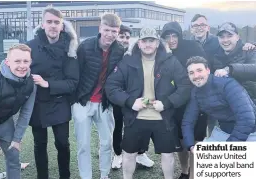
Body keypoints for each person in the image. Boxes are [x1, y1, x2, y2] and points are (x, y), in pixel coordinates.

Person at [105, 27, 192, 179]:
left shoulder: (170, 61)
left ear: (157, 43)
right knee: (129, 154)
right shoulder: (127, 61)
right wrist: (130, 102)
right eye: (144, 41)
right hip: (135, 117)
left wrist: (167, 103)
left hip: (163, 118)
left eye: (151, 40)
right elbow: (111, 86)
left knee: (168, 154)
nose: (147, 44)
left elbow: (185, 86)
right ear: (138, 43)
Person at [27, 6, 79, 179]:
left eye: (57, 22)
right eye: (49, 22)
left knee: (63, 143)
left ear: (62, 26)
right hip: (37, 102)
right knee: (39, 144)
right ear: (42, 24)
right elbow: (17, 65)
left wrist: (47, 83)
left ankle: (65, 176)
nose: (53, 26)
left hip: (60, 101)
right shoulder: (30, 47)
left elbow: (72, 83)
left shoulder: (70, 48)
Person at [72, 13, 125, 179]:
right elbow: (75, 74)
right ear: (100, 28)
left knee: (106, 142)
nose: (110, 34)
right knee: (83, 145)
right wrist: (76, 99)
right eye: (107, 30)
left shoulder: (120, 50)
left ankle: (104, 175)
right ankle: (86, 176)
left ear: (118, 32)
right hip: (83, 102)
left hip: (104, 103)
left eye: (114, 31)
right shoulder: (85, 46)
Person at [0, 44, 36, 179]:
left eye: (25, 61)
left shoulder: (31, 83)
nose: (22, 65)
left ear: (30, 62)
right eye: (17, 61)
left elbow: (26, 113)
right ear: (7, 62)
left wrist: (17, 139)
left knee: (14, 160)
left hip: (5, 123)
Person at [161, 21, 207, 179]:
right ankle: (185, 171)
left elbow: (203, 72)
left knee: (194, 141)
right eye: (168, 36)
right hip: (176, 103)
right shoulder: (163, 52)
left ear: (180, 36)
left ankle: (194, 174)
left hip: (196, 101)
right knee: (180, 141)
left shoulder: (193, 47)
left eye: (175, 35)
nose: (171, 39)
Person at [182, 56, 256, 152]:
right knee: (205, 158)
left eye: (199, 70)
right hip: (225, 131)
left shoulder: (227, 85)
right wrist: (190, 145)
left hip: (251, 131)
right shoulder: (196, 92)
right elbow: (188, 120)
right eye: (191, 73)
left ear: (208, 70)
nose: (196, 76)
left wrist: (229, 147)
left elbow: (247, 119)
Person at [112, 24, 154, 169]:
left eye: (127, 37)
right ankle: (117, 154)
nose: (124, 40)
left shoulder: (134, 53)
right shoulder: (111, 52)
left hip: (137, 95)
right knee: (117, 125)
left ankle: (141, 153)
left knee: (142, 123)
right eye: (121, 36)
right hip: (118, 96)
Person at [213, 22, 256, 104]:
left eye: (230, 36)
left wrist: (230, 69)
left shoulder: (249, 51)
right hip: (225, 104)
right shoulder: (215, 55)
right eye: (221, 37)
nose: (225, 40)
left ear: (237, 37)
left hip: (250, 102)